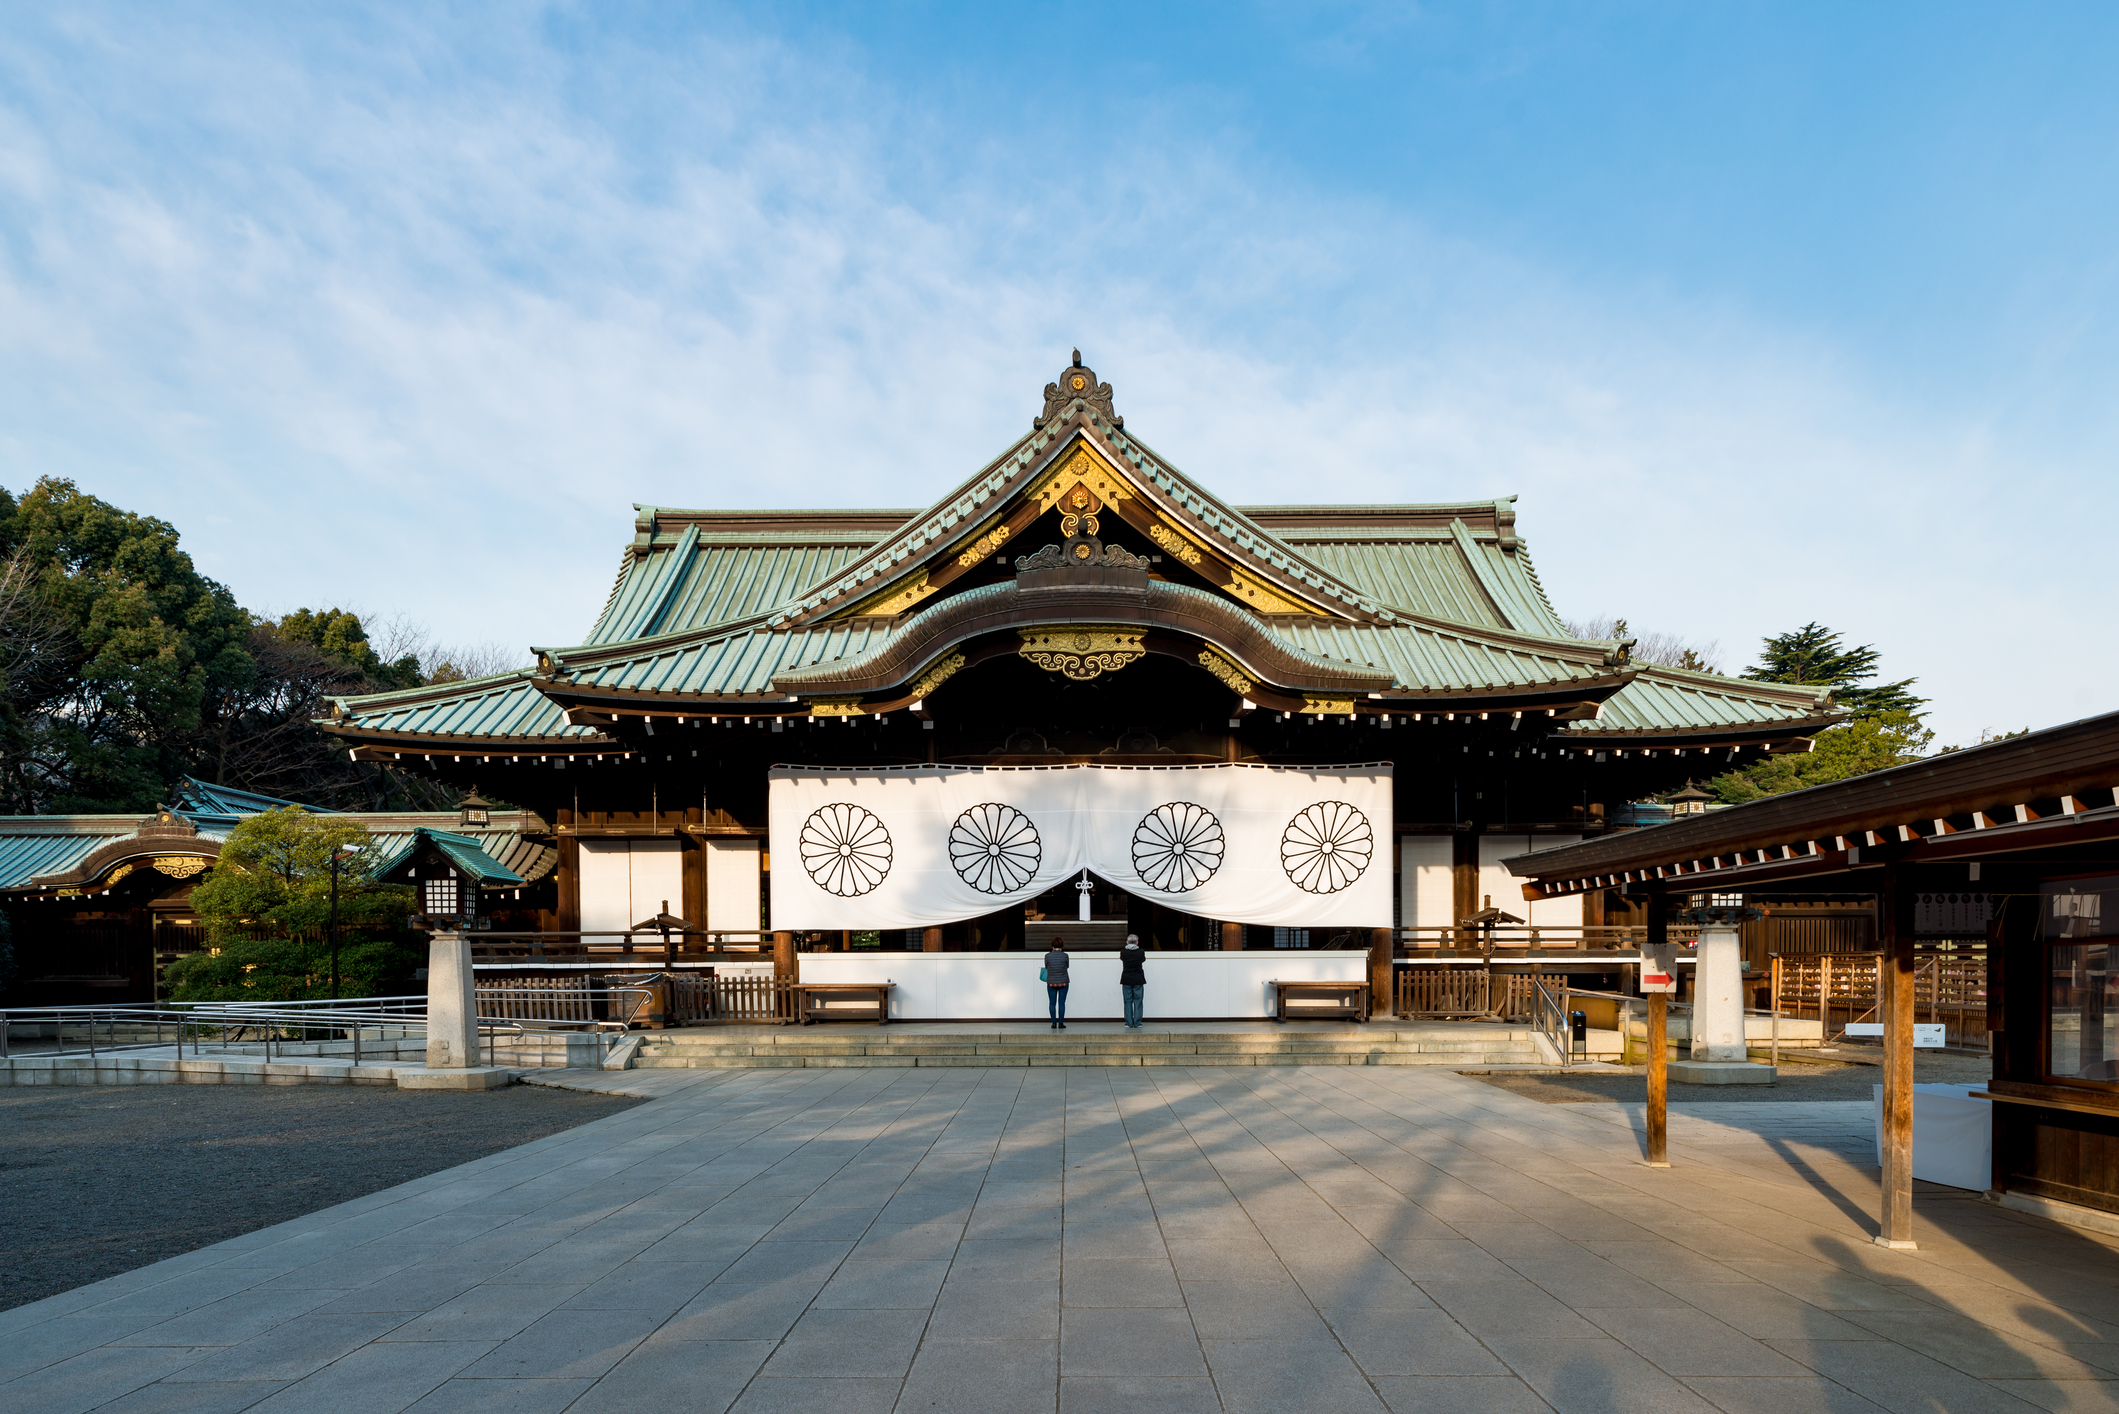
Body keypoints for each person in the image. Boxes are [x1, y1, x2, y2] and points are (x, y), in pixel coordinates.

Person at [1119, 933, 1147, 1029]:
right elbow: (1143, 960)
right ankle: (1138, 1023)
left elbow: (1122, 959)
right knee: (1138, 1001)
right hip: (1138, 979)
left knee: (1127, 1001)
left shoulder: (1123, 952)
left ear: (1127, 942)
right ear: (1137, 942)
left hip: (1126, 978)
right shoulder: (1141, 952)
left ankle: (1128, 1023)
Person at [1043, 936, 1070, 1029]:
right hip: (1063, 982)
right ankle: (1061, 1023)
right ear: (1062, 946)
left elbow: (1046, 967)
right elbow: (1067, 966)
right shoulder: (1065, 956)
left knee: (1052, 1003)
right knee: (1061, 1003)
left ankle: (1054, 1023)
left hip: (1051, 982)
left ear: (1052, 946)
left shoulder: (1047, 956)